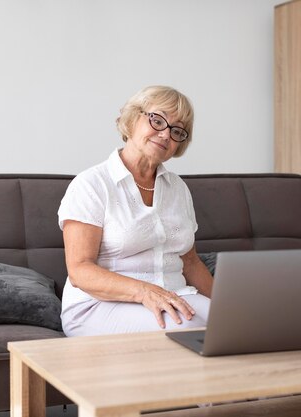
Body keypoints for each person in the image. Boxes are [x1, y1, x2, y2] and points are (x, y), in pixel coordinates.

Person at [58, 85, 213, 336]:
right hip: (99, 305)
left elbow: (190, 262)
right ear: (131, 119)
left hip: (173, 296)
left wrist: (229, 306)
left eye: (177, 131)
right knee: (191, 331)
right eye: (157, 120)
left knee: (241, 327)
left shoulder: (178, 189)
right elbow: (80, 270)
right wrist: (145, 291)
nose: (165, 135)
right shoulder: (91, 184)